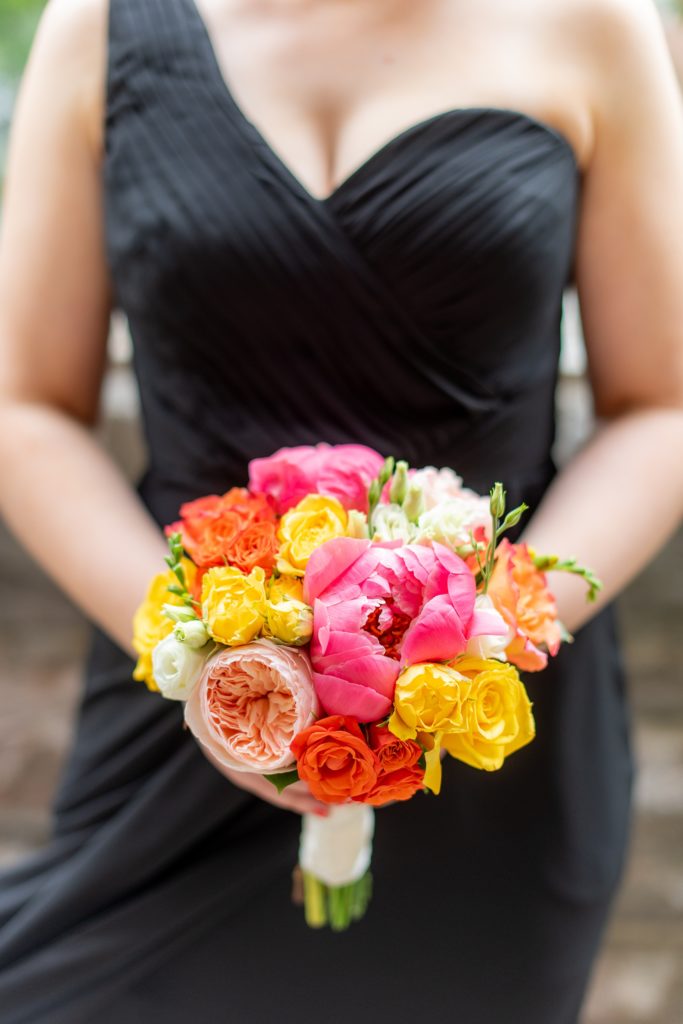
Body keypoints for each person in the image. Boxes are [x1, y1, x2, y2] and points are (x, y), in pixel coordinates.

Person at [1, 0, 682, 1020]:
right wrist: (216, 664)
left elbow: (661, 405)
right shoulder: (96, 26)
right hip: (179, 716)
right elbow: (24, 406)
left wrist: (469, 639)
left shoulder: (592, 22)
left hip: (483, 755)